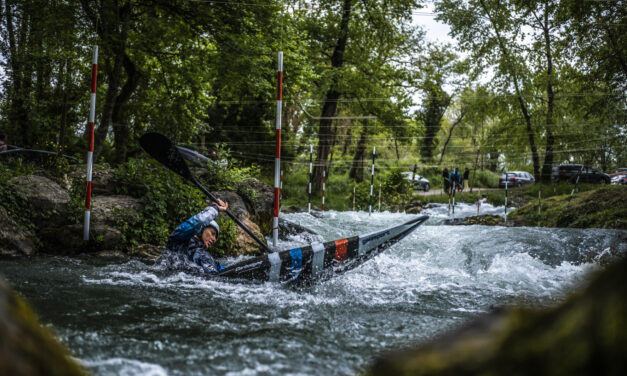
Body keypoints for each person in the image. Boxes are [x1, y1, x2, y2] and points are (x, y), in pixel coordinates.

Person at [162, 199, 229, 275]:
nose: (214, 239)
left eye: (215, 237)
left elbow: (225, 273)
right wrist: (214, 209)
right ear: (202, 229)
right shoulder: (179, 239)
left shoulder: (206, 256)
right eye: (212, 233)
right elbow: (199, 221)